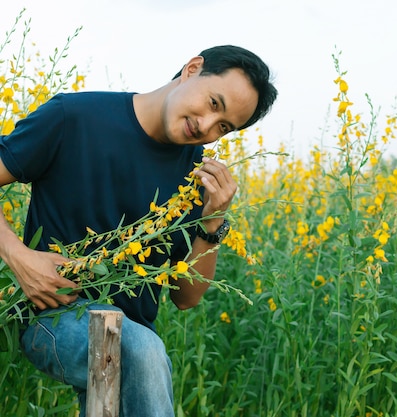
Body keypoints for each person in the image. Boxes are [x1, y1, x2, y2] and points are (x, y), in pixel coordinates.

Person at [0, 45, 278, 416]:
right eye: (214, 104)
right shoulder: (74, 117)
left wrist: (212, 220)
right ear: (193, 68)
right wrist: (19, 257)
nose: (208, 128)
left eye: (224, 127)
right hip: (52, 314)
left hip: (133, 334)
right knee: (140, 351)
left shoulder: (196, 180)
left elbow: (186, 297)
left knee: (136, 350)